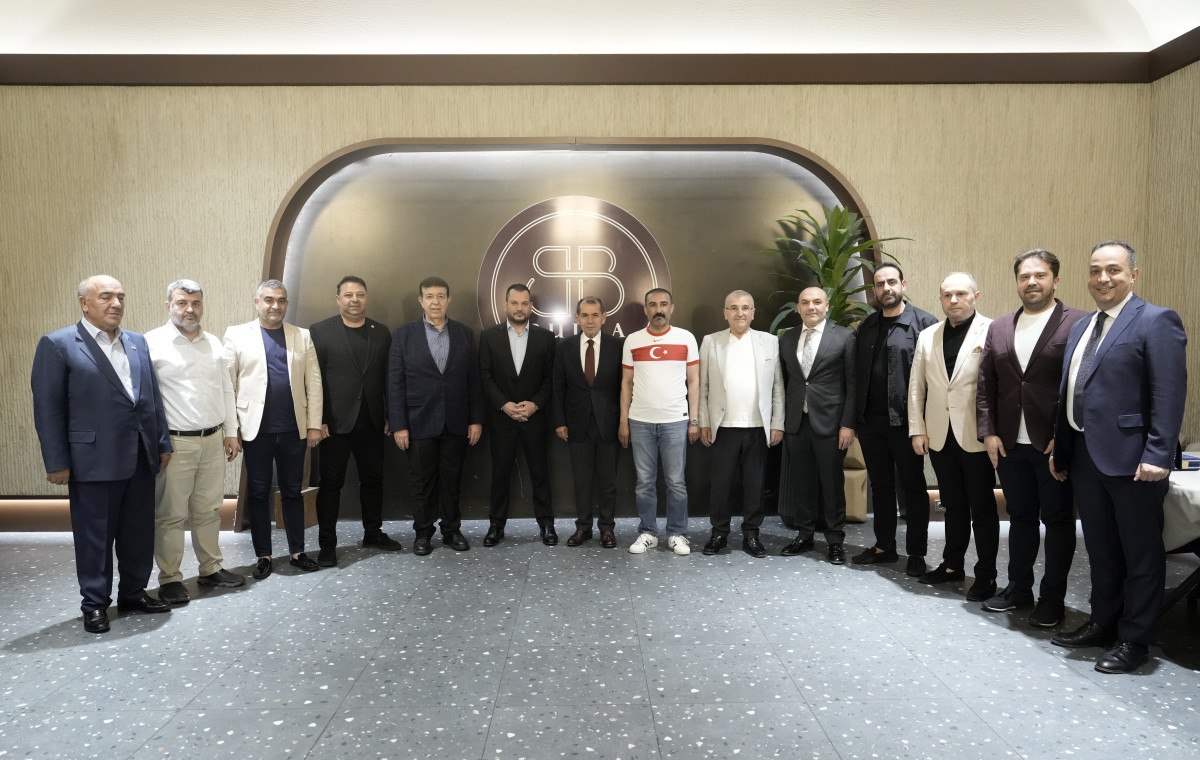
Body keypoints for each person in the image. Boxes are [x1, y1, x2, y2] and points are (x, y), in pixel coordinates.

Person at [1049, 240, 1187, 674]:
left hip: (1135, 461)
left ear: (1133, 274)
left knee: (1140, 553)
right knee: (1102, 548)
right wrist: (1061, 444)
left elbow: (1169, 393)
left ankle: (1135, 639)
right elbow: (1071, 393)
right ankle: (1103, 622)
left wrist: (1159, 453)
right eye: (1095, 270)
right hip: (1085, 456)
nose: (1102, 278)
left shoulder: (1156, 321)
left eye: (1113, 269)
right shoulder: (1082, 327)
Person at [32, 275, 173, 633]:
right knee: (94, 537)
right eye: (106, 296)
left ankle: (133, 593)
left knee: (138, 533)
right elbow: (48, 409)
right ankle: (95, 604)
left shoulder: (136, 342)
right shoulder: (58, 344)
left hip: (140, 456)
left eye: (121, 297)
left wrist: (161, 443)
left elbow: (151, 399)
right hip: (92, 461)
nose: (116, 304)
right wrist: (57, 462)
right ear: (84, 303)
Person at [976, 250, 1088, 627]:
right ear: (1017, 282)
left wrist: (1064, 435)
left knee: (1057, 520)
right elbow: (985, 385)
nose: (1031, 282)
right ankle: (1019, 588)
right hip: (1010, 443)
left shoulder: (1078, 323)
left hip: (1053, 445)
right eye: (1024, 276)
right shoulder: (1000, 327)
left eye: (1040, 275)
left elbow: (1082, 386)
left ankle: (1052, 598)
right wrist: (988, 431)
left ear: (1056, 280)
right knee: (1020, 517)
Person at [145, 279, 246, 606]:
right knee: (171, 515)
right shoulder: (151, 344)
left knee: (208, 510)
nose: (190, 309)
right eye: (182, 303)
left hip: (213, 440)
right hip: (176, 445)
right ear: (168, 306)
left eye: (196, 303)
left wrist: (230, 431)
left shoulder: (213, 343)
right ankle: (170, 578)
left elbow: (226, 389)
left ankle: (210, 568)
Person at [223, 279, 323, 579]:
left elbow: (314, 382)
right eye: (268, 300)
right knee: (258, 492)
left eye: (280, 300)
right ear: (257, 303)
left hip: (294, 428)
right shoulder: (236, 335)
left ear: (286, 303)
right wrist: (231, 431)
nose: (275, 305)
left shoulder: (302, 336)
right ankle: (263, 555)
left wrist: (314, 425)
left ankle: (297, 552)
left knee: (292, 491)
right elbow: (227, 386)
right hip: (255, 429)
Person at [908, 272, 997, 600]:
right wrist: (917, 429)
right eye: (947, 295)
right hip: (939, 435)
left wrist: (993, 431)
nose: (954, 300)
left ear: (976, 296)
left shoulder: (992, 331)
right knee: (953, 505)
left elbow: (997, 386)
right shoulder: (927, 335)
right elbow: (916, 387)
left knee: (982, 508)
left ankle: (986, 574)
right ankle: (952, 564)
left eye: (961, 294)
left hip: (976, 435)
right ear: (941, 299)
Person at [851, 264, 937, 576]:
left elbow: (933, 378)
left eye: (891, 282)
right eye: (879, 284)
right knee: (881, 486)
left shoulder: (925, 324)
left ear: (903, 284)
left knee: (912, 488)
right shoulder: (867, 325)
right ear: (874, 289)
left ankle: (916, 552)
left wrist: (923, 425)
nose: (885, 288)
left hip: (906, 423)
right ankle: (884, 546)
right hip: (871, 423)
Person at [388, 276, 483, 556]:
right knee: (422, 483)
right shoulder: (403, 336)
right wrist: (399, 425)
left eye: (441, 296)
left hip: (456, 421)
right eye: (429, 296)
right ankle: (423, 533)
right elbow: (394, 383)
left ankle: (452, 530)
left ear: (448, 300)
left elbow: (473, 380)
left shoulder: (464, 334)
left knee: (452, 482)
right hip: (418, 422)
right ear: (421, 301)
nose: (435, 302)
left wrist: (476, 419)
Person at [310, 275, 398, 567]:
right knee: (330, 484)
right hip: (334, 424)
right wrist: (319, 419)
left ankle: (373, 533)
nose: (354, 300)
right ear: (338, 299)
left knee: (373, 481)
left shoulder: (381, 332)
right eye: (348, 295)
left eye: (360, 294)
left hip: (372, 421)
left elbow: (388, 378)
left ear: (366, 298)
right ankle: (327, 545)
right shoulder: (320, 331)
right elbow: (314, 379)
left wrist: (390, 415)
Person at [697, 290, 784, 558]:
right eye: (733, 308)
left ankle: (752, 535)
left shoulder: (769, 341)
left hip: (758, 427)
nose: (739, 313)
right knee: (720, 485)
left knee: (755, 486)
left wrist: (777, 423)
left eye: (745, 308)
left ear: (753, 313)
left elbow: (777, 386)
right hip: (722, 426)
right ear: (725, 313)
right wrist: (704, 421)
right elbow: (703, 387)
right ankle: (718, 533)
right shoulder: (710, 341)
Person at [619, 288, 700, 556]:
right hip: (640, 421)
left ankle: (677, 534)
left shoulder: (686, 338)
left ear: (672, 308)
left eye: (664, 304)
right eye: (653, 305)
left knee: (676, 482)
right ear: (646, 309)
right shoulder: (633, 340)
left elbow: (694, 381)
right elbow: (626, 383)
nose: (658, 309)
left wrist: (694, 420)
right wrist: (623, 420)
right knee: (644, 482)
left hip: (676, 421)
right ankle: (648, 533)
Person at [778, 287, 857, 564]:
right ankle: (805, 534)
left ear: (827, 305)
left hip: (832, 424)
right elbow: (786, 382)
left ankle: (835, 540)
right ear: (798, 307)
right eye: (805, 302)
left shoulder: (845, 336)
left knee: (832, 484)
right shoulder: (787, 338)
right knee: (802, 483)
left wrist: (848, 424)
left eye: (816, 302)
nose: (811, 307)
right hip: (796, 422)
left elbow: (853, 384)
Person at [479, 283, 557, 547]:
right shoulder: (489, 337)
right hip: (502, 419)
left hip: (535, 419)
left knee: (540, 474)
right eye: (514, 303)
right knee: (500, 475)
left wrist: (535, 404)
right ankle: (496, 526)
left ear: (530, 306)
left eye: (524, 303)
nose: (519, 308)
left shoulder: (546, 338)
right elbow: (485, 376)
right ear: (505, 305)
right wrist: (504, 404)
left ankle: (546, 525)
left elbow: (550, 378)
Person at [552, 297, 624, 549]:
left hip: (609, 424)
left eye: (595, 315)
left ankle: (607, 529)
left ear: (604, 317)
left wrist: (623, 421)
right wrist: (559, 421)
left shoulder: (618, 346)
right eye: (585, 315)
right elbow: (558, 387)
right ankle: (583, 528)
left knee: (608, 482)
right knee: (581, 481)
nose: (590, 320)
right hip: (576, 424)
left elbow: (625, 387)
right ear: (577, 318)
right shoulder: (564, 348)